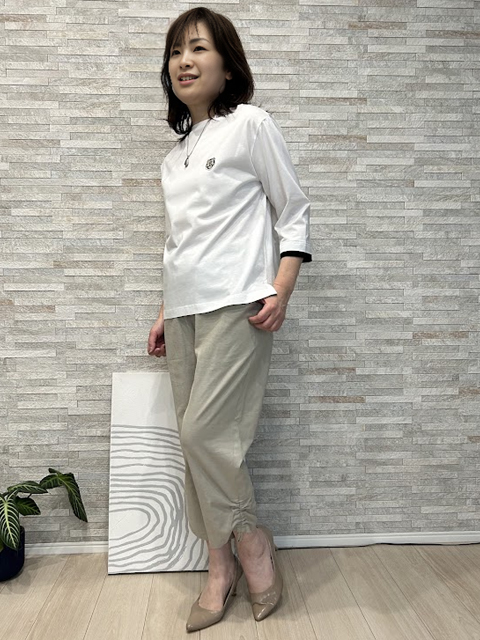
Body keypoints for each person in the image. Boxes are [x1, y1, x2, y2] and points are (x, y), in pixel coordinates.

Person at [147, 6, 312, 633]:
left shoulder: (250, 125)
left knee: (205, 436)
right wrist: (164, 309)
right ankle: (220, 567)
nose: (184, 62)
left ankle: (250, 545)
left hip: (240, 305)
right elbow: (178, 244)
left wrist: (283, 288)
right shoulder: (175, 158)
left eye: (198, 48)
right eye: (175, 52)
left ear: (227, 64)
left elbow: (293, 209)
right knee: (197, 444)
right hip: (184, 311)